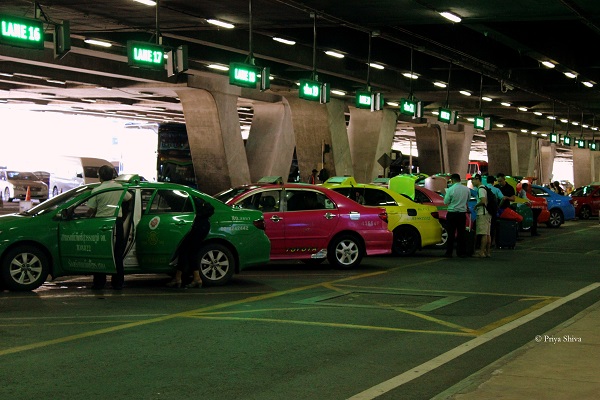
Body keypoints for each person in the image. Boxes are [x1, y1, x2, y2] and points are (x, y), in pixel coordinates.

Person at [87, 165, 132, 290]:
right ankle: (118, 283)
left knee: (100, 254)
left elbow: (91, 209)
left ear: (99, 176)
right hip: (116, 223)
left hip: (100, 223)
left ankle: (99, 283)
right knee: (117, 254)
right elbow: (130, 197)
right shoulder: (119, 188)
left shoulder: (97, 190)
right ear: (112, 175)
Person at [167, 196, 213, 288]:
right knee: (186, 250)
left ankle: (194, 278)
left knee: (190, 251)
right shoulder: (193, 197)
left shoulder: (182, 198)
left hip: (198, 226)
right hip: (202, 226)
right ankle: (180, 277)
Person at [443, 173, 471, 258]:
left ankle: (449, 252)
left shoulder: (451, 189)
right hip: (462, 214)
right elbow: (468, 199)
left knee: (451, 234)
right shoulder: (466, 189)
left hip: (452, 213)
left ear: (452, 180)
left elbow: (446, 201)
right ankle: (461, 252)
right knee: (461, 234)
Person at [472, 174, 491, 257]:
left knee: (483, 234)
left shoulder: (481, 189)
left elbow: (483, 201)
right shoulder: (484, 188)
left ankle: (481, 253)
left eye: (473, 179)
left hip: (482, 213)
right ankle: (487, 252)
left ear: (477, 179)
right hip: (487, 213)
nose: (472, 181)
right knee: (487, 234)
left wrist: (476, 206)